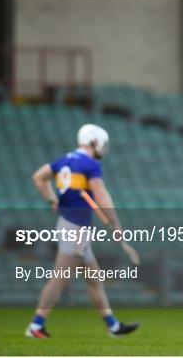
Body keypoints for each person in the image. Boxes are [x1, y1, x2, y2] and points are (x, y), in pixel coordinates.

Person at [25, 124, 139, 339]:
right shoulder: (90, 164)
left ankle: (113, 326)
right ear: (94, 142)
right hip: (75, 229)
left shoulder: (64, 161)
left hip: (72, 226)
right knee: (60, 277)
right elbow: (101, 194)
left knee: (94, 279)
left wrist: (52, 199)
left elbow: (39, 177)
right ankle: (35, 325)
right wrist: (116, 224)